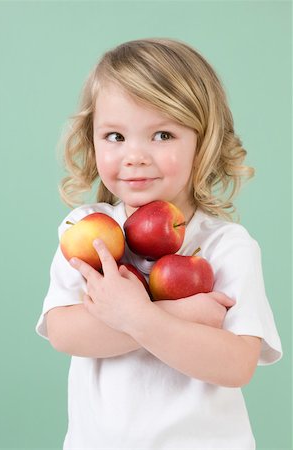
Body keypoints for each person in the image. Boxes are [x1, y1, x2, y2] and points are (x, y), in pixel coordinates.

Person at [36, 38, 282, 449]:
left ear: (203, 143)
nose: (134, 156)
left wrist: (138, 317)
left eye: (162, 134)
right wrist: (170, 313)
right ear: (92, 139)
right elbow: (64, 332)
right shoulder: (85, 231)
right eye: (115, 136)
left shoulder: (226, 246)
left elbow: (238, 364)